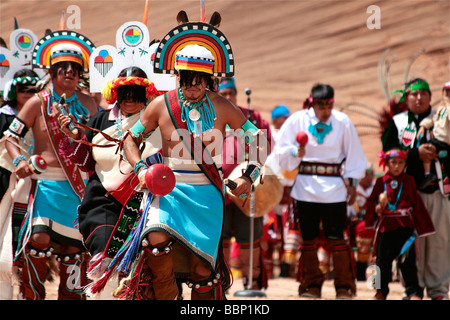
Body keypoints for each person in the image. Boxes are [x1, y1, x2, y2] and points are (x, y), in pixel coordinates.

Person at [90, 13, 265, 300]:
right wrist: (140, 171)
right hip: (167, 189)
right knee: (154, 240)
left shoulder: (224, 107)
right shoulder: (161, 105)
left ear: (208, 78)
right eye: (186, 78)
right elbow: (130, 139)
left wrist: (249, 175)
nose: (192, 84)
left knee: (202, 270)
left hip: (208, 194)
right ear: (178, 75)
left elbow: (258, 138)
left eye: (198, 79)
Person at [4, 35, 97, 299]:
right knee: (39, 239)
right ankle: (32, 294)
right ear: (52, 71)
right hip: (44, 185)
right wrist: (20, 160)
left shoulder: (90, 104)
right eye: (63, 67)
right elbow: (11, 137)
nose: (69, 72)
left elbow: (96, 142)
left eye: (75, 68)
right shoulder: (37, 102)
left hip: (78, 187)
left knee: (74, 251)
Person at [56, 67, 160, 299]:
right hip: (104, 202)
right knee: (106, 262)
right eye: (125, 93)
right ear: (115, 94)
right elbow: (85, 163)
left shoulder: (157, 121)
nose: (130, 99)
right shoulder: (100, 120)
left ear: (146, 94)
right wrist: (74, 138)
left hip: (148, 204)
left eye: (136, 93)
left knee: (156, 263)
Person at [274, 83, 367, 299]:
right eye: (321, 107)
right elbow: (280, 149)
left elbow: (354, 154)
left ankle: (344, 286)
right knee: (308, 237)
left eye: (329, 106)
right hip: (305, 187)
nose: (325, 111)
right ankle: (311, 285)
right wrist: (295, 151)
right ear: (312, 103)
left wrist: (352, 183)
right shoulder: (297, 120)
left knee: (337, 237)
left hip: (334, 188)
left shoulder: (342, 122)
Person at [382, 78, 450, 300]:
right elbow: (387, 152)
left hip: (440, 191)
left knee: (439, 241)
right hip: (409, 195)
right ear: (406, 98)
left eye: (424, 94)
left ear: (431, 97)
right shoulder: (398, 123)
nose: (419, 98)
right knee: (413, 243)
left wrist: (438, 152)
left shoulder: (443, 117)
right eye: (414, 95)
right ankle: (413, 288)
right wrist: (414, 154)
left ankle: (438, 289)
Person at [218, 77, 272, 290]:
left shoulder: (251, 117)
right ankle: (220, 283)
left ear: (237, 94)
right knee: (219, 240)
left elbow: (266, 145)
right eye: (224, 94)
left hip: (247, 187)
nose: (228, 97)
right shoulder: (211, 116)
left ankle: (252, 283)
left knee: (250, 237)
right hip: (219, 188)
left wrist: (253, 173)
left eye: (231, 93)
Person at [365, 148, 435, 300]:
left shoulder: (409, 181)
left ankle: (413, 292)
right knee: (381, 262)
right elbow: (371, 202)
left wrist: (422, 225)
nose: (397, 166)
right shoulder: (381, 181)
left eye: (401, 163)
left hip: (405, 228)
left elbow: (416, 204)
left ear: (405, 164)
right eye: (393, 162)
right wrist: (377, 208)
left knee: (408, 263)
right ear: (386, 164)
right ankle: (380, 292)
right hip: (386, 227)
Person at [0, 69, 40, 299]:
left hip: (39, 182)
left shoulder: (42, 112)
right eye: (24, 90)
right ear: (14, 91)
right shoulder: (3, 117)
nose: (28, 94)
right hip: (7, 181)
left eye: (34, 90)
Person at [416, 81, 450, 190]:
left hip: (446, 141)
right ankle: (428, 174)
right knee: (427, 149)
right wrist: (423, 126)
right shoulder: (441, 109)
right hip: (438, 140)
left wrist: (448, 105)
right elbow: (433, 117)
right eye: (446, 92)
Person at [347, 164, 376, 281]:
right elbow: (348, 210)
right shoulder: (354, 190)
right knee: (364, 228)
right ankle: (359, 270)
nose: (369, 178)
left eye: (371, 175)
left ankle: (376, 278)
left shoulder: (377, 189)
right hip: (356, 226)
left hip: (374, 224)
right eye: (366, 175)